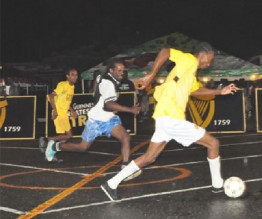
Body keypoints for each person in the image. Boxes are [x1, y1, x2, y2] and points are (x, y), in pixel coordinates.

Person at [100, 43, 239, 200]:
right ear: (204, 54)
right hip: (172, 117)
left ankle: (111, 184)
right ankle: (218, 185)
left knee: (149, 158)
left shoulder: (191, 72)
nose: (210, 63)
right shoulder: (189, 60)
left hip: (164, 117)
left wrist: (219, 91)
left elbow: (195, 90)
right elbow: (166, 51)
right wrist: (152, 75)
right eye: (210, 59)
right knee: (213, 143)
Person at [44, 59, 141, 177]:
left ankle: (125, 168)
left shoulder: (107, 78)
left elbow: (98, 77)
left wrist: (95, 89)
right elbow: (108, 104)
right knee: (82, 147)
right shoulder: (108, 83)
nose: (122, 72)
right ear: (111, 70)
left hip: (108, 118)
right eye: (119, 70)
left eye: (123, 70)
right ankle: (55, 146)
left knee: (125, 137)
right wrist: (130, 109)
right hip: (96, 120)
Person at [39, 68, 79, 160]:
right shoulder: (62, 85)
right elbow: (50, 96)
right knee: (68, 136)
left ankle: (50, 153)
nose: (75, 77)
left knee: (65, 138)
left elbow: (66, 102)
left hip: (64, 114)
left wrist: (72, 110)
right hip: (59, 114)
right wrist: (55, 111)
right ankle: (45, 141)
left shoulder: (72, 87)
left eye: (76, 75)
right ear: (67, 76)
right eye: (72, 74)